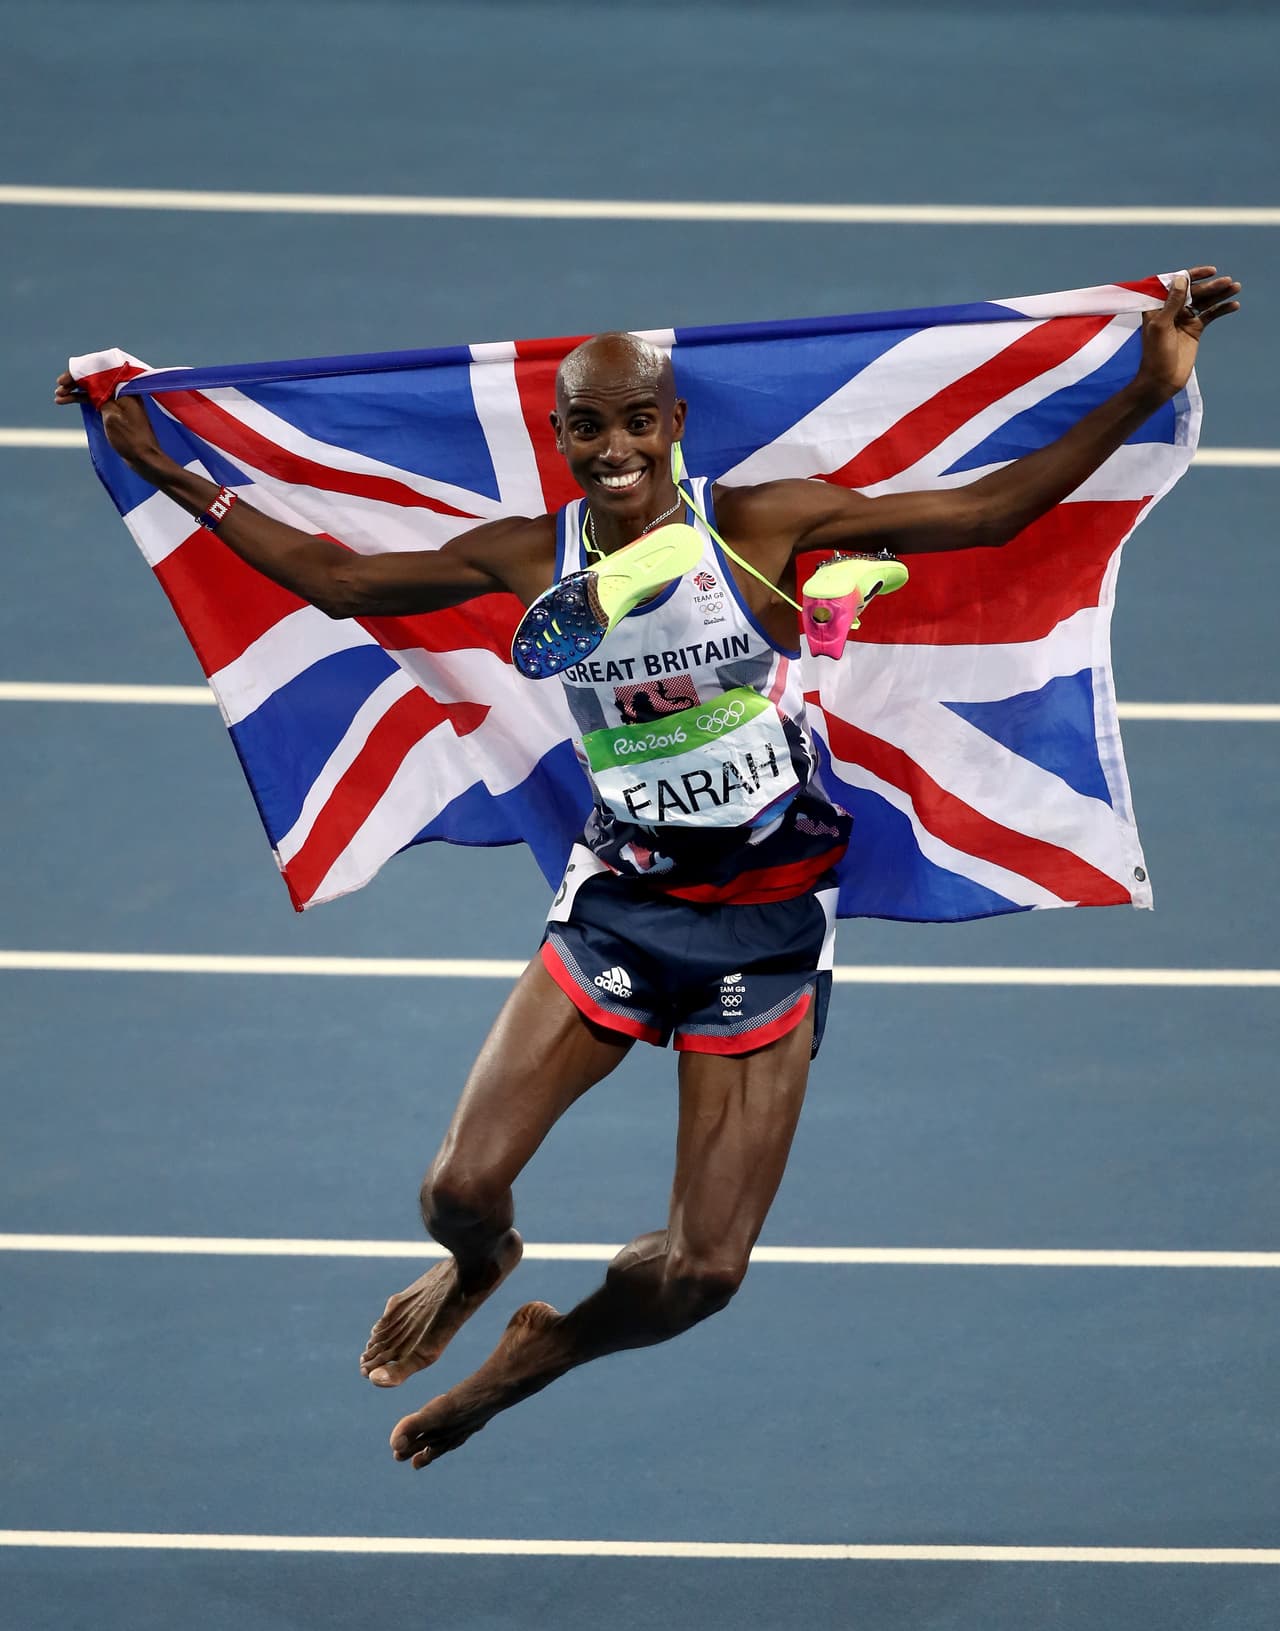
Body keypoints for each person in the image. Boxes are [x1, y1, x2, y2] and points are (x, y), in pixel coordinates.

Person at [56, 268, 1239, 1469]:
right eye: (586, 424)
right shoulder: (532, 556)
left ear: (672, 425)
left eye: (636, 419)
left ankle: (540, 1351)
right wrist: (162, 463)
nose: (613, 446)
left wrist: (1142, 387)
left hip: (768, 916)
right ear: (558, 435)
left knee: (704, 1271)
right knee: (456, 1190)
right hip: (623, 903)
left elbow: (988, 512)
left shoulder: (762, 523)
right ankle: (481, 1265)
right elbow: (339, 582)